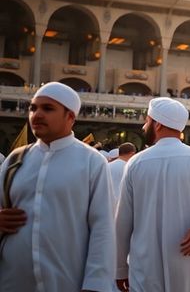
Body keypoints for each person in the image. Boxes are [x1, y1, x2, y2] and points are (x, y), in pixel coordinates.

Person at [0, 82, 115, 292]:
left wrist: (96, 284)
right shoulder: (15, 160)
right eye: (33, 108)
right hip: (12, 281)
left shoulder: (90, 161)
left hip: (67, 281)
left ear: (70, 117)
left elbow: (103, 227)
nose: (37, 114)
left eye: (48, 109)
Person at [114, 97, 190, 292]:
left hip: (146, 263)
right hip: (189, 259)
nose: (144, 126)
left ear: (158, 124)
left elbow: (123, 221)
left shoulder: (136, 163)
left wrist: (119, 268)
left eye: (147, 120)